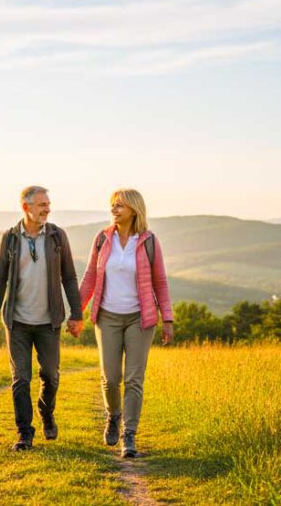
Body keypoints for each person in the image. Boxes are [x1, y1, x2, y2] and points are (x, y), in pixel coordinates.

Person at [78, 188, 173, 457]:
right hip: (106, 316)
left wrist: (167, 318)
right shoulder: (102, 239)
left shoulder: (148, 241)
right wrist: (76, 313)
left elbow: (160, 282)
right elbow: (89, 278)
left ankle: (129, 434)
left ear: (134, 209)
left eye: (120, 205)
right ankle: (113, 416)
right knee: (110, 378)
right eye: (113, 205)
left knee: (133, 379)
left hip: (139, 319)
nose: (114, 209)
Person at [0, 185, 83, 451]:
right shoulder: (9, 238)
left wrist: (76, 313)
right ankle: (24, 433)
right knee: (21, 378)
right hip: (16, 321)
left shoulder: (56, 236)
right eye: (42, 204)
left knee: (51, 376)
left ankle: (46, 411)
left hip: (48, 321)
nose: (47, 209)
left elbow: (70, 277)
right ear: (26, 207)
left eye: (48, 204)